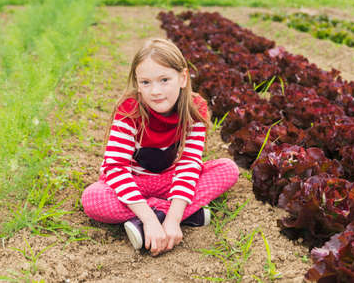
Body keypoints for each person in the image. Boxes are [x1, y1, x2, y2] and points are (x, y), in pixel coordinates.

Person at [81, 38, 239, 256]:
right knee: (93, 198)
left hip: (167, 180)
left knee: (227, 169)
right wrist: (149, 218)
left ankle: (164, 215)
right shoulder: (130, 110)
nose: (155, 91)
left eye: (164, 80)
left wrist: (172, 220)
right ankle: (183, 214)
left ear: (183, 78)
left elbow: (189, 163)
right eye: (145, 82)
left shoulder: (195, 110)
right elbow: (116, 168)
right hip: (132, 180)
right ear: (137, 83)